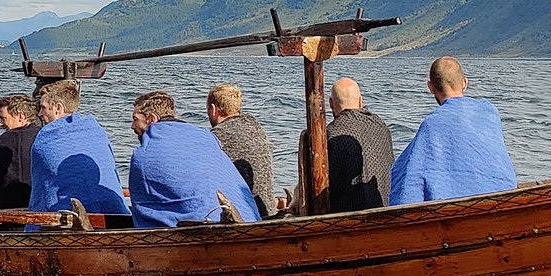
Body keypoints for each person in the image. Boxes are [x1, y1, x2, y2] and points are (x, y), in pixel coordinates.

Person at [388, 57, 516, 205]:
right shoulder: (490, 113)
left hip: (455, 209)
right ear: (465, 83)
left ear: (430, 87)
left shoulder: (433, 123)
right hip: (502, 199)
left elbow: (409, 175)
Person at [128, 91, 260, 228]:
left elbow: (143, 210)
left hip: (205, 232)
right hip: (251, 222)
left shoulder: (144, 154)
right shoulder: (206, 138)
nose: (132, 126)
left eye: (135, 119)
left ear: (152, 119)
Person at [286, 76, 393, 214]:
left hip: (345, 221)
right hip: (383, 213)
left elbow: (312, 184)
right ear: (361, 101)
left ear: (330, 103)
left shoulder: (327, 136)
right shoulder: (382, 127)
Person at [25, 79, 128, 220]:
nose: (40, 114)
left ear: (58, 108)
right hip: (115, 214)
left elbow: (40, 192)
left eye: (43, 107)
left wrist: (32, 226)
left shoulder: (45, 139)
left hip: (69, 220)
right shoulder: (97, 131)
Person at [206, 83, 278, 218]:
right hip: (268, 210)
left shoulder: (217, 137)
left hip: (244, 216)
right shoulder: (257, 129)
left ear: (213, 109)